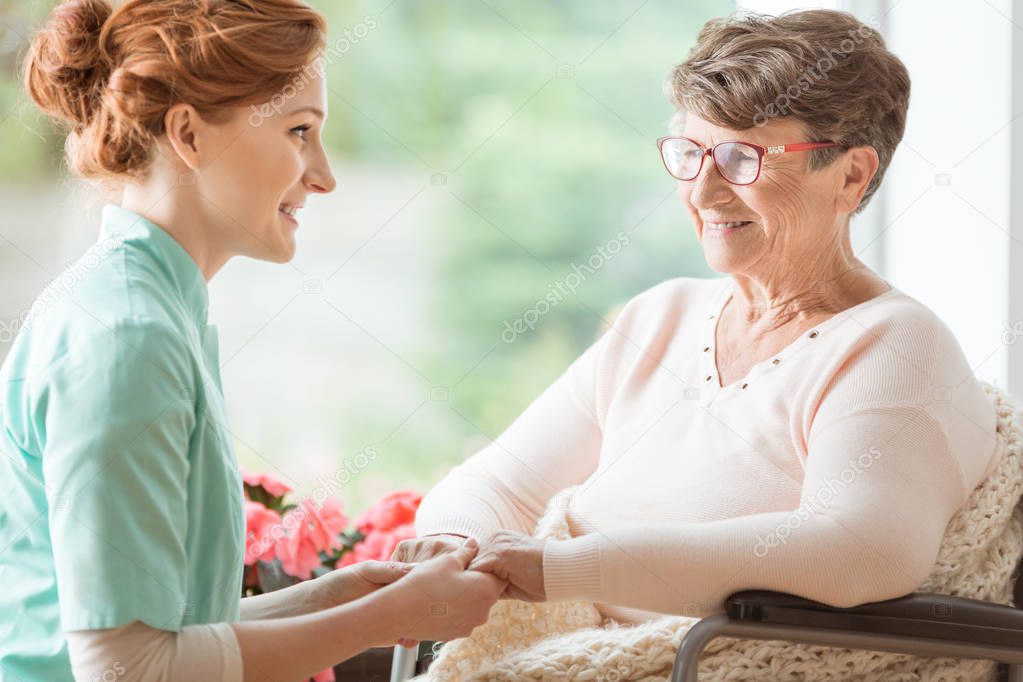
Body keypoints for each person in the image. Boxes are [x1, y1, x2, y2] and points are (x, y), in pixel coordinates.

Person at [394, 9, 1004, 628]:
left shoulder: (894, 345)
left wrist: (560, 569)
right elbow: (498, 484)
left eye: (742, 158)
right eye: (691, 152)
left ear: (851, 174)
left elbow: (858, 551)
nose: (704, 192)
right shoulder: (661, 316)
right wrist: (457, 546)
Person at [0, 1, 503, 680]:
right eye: (299, 131)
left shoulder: (151, 309)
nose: (323, 175)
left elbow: (171, 630)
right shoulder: (127, 339)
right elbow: (130, 668)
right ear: (189, 135)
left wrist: (346, 594)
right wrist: (389, 619)